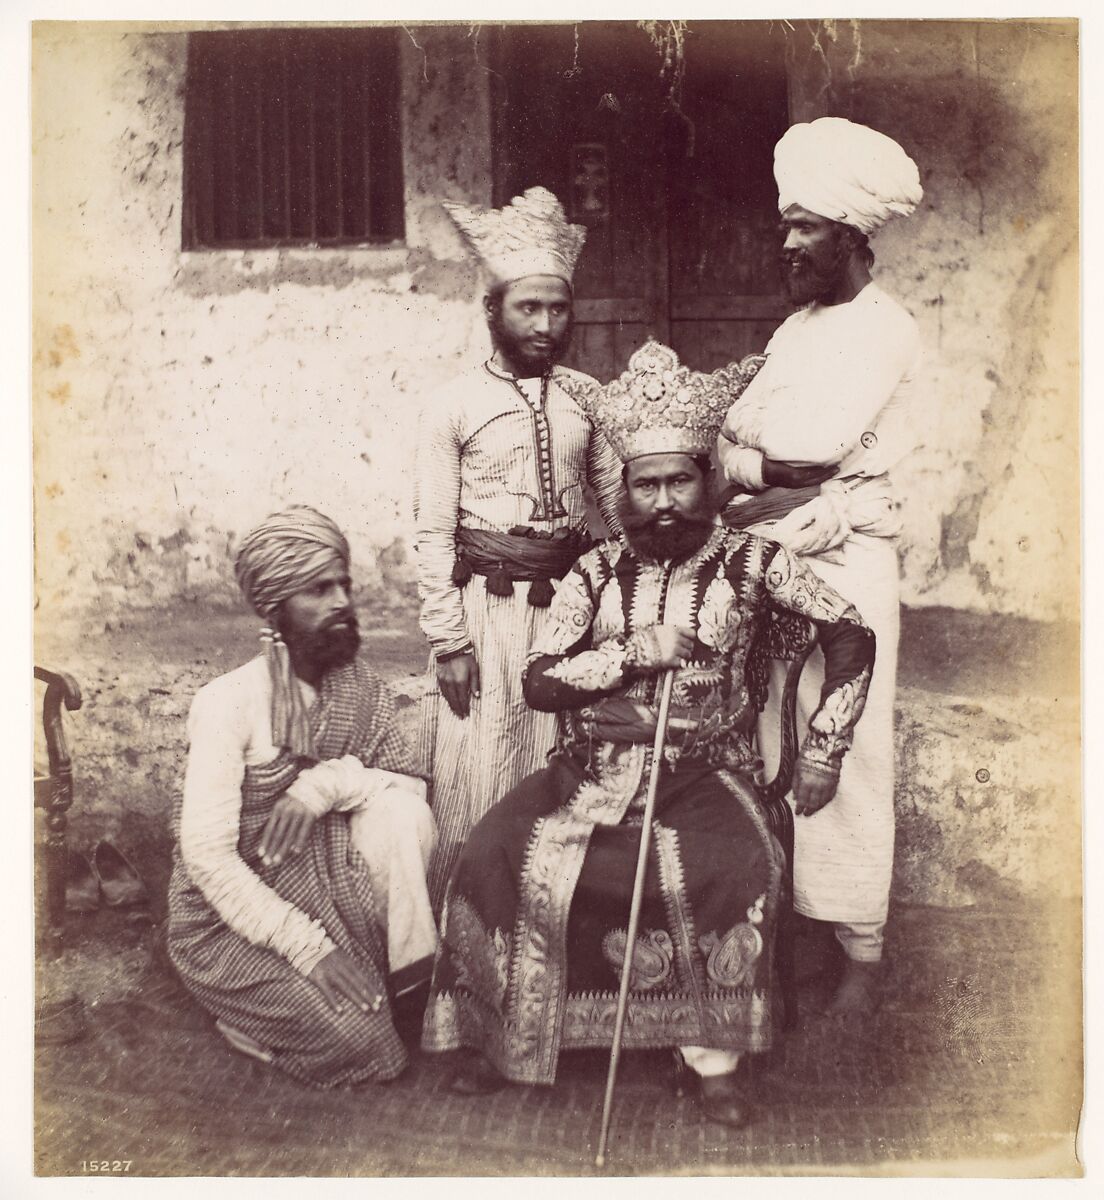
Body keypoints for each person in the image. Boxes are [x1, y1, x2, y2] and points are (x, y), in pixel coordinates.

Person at [422, 342, 876, 1127]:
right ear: (624, 490)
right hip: (591, 769)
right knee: (496, 850)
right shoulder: (595, 570)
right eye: (646, 484)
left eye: (679, 480)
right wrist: (634, 653)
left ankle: (713, 1059)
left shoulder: (754, 561)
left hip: (709, 771)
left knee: (735, 865)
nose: (664, 500)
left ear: (706, 481)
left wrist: (828, 746)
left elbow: (851, 634)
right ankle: (507, 1039)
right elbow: (540, 679)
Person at [716, 116, 924, 1019]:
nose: (787, 240)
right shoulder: (797, 328)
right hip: (777, 555)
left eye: (806, 225)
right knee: (773, 736)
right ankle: (791, 927)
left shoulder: (885, 330)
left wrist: (765, 470)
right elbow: (734, 439)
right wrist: (764, 474)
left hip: (850, 565)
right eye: (786, 223)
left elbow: (810, 446)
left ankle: (862, 954)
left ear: (853, 234)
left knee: (847, 744)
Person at [167, 506, 438, 1088]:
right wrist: (310, 950)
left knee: (402, 812)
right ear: (275, 608)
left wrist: (320, 787)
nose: (342, 601)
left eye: (343, 583)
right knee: (365, 1046)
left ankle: (377, 983)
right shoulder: (228, 701)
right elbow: (207, 860)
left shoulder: (359, 687)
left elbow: (410, 787)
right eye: (319, 589)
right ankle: (236, 1015)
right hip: (233, 917)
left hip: (331, 886)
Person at [415, 187, 622, 910]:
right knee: (481, 767)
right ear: (493, 311)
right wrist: (448, 641)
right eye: (527, 308)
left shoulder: (587, 397)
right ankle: (468, 931)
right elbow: (432, 532)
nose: (544, 324)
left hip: (567, 612)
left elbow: (618, 507)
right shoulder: (453, 404)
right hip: (486, 611)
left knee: (561, 762)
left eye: (557, 308)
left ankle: (554, 928)